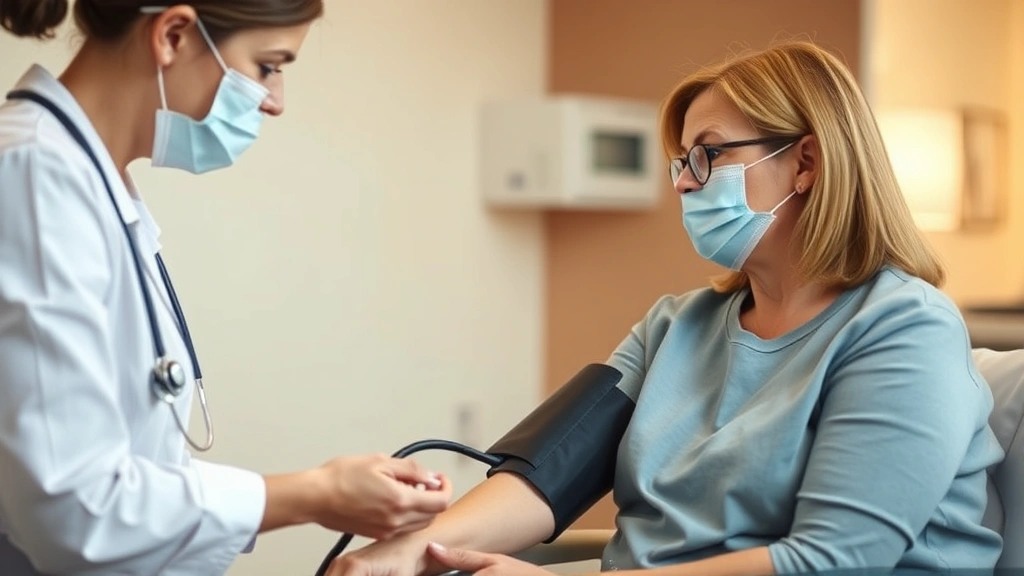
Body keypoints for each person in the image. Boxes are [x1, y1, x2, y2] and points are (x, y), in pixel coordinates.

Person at [328, 40, 1005, 576]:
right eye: (681, 160)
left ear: (806, 163)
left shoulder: (902, 328)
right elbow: (549, 479)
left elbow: (835, 560)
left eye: (707, 155)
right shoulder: (675, 326)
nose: (682, 182)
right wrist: (409, 551)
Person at [0, 1, 452, 575]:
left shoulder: (88, 180)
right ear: (174, 34)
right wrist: (315, 494)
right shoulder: (36, 178)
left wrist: (327, 491)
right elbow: (70, 508)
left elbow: (117, 468)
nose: (277, 100)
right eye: (268, 65)